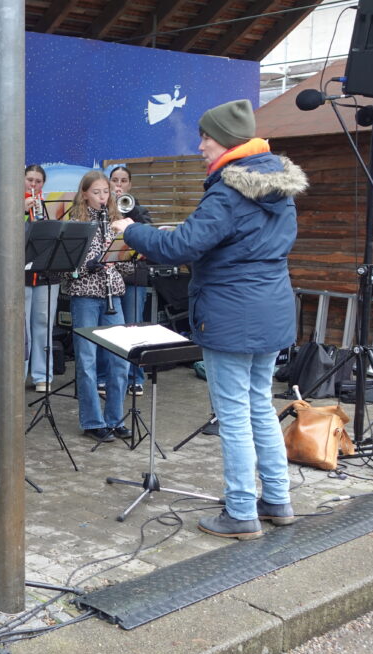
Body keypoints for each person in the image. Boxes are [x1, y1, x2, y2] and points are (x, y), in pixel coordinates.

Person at [113, 99, 308, 540]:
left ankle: (241, 511)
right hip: (271, 308)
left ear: (227, 141)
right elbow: (229, 240)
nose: (200, 145)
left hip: (231, 312)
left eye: (205, 136)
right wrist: (178, 234)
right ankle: (278, 499)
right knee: (260, 404)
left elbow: (183, 248)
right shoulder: (276, 185)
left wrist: (131, 232)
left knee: (234, 413)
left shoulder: (228, 189)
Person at [62, 170, 133, 443]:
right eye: (97, 192)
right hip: (85, 296)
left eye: (106, 192)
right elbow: (65, 268)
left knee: (119, 359)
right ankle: (92, 421)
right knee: (87, 361)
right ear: (84, 195)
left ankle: (115, 418)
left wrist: (128, 252)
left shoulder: (117, 221)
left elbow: (125, 264)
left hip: (112, 293)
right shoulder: (75, 224)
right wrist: (84, 267)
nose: (103, 197)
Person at [104, 166, 152, 397]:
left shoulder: (139, 209)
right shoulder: (102, 209)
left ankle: (136, 377)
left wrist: (129, 214)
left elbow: (147, 238)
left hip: (133, 276)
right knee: (110, 330)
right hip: (110, 279)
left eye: (123, 180)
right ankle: (108, 378)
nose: (118, 185)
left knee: (134, 327)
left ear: (130, 185)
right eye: (114, 180)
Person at [24, 164, 57, 392]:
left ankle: (42, 375)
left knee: (44, 324)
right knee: (21, 327)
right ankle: (18, 373)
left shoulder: (51, 206)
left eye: (38, 181)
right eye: (29, 180)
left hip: (46, 273)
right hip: (21, 274)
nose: (33, 185)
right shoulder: (9, 204)